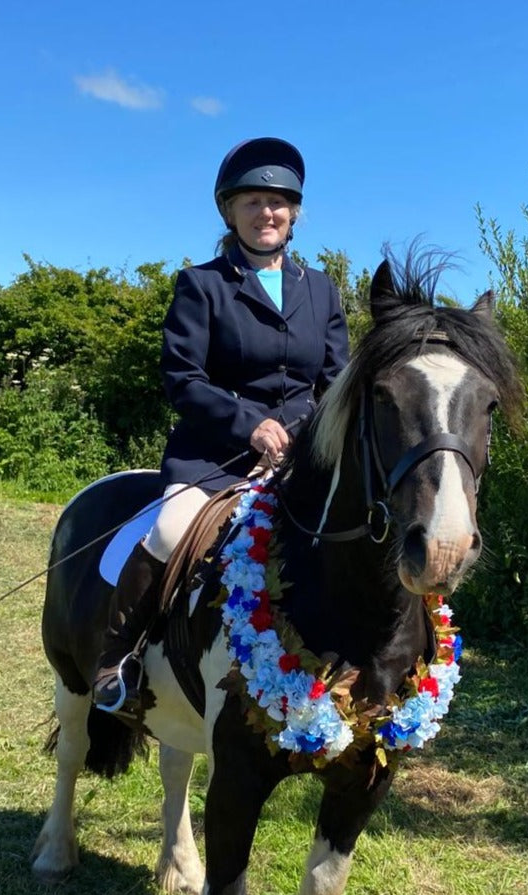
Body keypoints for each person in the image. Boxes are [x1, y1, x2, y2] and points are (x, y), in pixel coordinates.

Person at [93, 136, 351, 711]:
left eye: (279, 202)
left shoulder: (323, 290)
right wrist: (251, 427)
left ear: (295, 214)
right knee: (168, 530)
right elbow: (183, 379)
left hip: (302, 457)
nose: (268, 212)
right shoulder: (201, 285)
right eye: (253, 201)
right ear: (229, 211)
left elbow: (336, 383)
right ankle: (119, 660)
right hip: (216, 456)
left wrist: (306, 433)